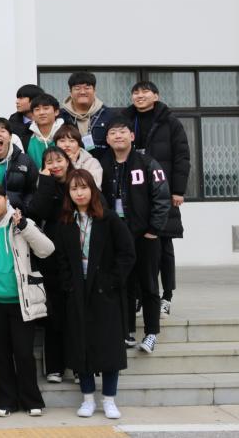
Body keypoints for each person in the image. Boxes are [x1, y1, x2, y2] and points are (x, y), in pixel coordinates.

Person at [0, 184, 54, 417]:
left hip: (21, 300)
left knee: (24, 353)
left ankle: (31, 400)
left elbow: (47, 249)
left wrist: (24, 226)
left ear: (6, 199)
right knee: (0, 353)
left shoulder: (21, 222)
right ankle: (6, 401)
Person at [55, 170, 135, 420]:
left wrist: (111, 282)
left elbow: (127, 253)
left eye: (84, 187)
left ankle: (109, 400)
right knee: (81, 346)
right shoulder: (65, 222)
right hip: (77, 292)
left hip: (105, 293)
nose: (79, 193)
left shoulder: (108, 219)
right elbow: (61, 259)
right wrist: (69, 285)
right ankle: (88, 398)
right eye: (74, 189)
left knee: (109, 347)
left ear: (92, 189)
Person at [100, 117, 171, 354]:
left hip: (144, 235)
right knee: (123, 283)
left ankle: (151, 333)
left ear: (131, 136)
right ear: (107, 139)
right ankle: (126, 331)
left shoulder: (148, 163)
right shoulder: (102, 164)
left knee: (148, 284)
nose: (118, 136)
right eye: (113, 133)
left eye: (122, 132)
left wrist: (154, 230)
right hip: (116, 235)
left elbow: (162, 197)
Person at [121, 80, 190, 318]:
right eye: (135, 92)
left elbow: (182, 157)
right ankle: (141, 296)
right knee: (138, 246)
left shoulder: (170, 122)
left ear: (156, 96)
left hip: (163, 191)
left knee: (164, 245)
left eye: (145, 92)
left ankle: (166, 297)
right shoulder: (125, 119)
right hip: (135, 193)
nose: (139, 96)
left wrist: (178, 190)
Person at [26, 145, 76, 384]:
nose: (55, 166)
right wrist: (45, 182)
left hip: (77, 256)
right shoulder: (45, 185)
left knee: (75, 313)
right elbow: (36, 212)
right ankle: (54, 367)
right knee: (54, 313)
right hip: (52, 258)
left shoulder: (79, 182)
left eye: (59, 160)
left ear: (68, 161)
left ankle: (78, 366)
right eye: (49, 162)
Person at [0, 117, 38, 215]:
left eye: (2, 131)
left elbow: (32, 191)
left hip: (17, 216)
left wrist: (25, 208)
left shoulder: (25, 161)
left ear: (10, 137)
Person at [60, 72, 115, 161]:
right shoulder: (61, 116)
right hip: (68, 165)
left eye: (87, 88)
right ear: (70, 92)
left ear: (94, 90)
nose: (82, 92)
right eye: (77, 88)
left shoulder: (108, 115)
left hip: (102, 165)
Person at [18, 93, 64, 169]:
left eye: (46, 108)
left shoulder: (67, 133)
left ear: (56, 112)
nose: (41, 113)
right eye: (37, 109)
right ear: (32, 115)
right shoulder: (25, 137)